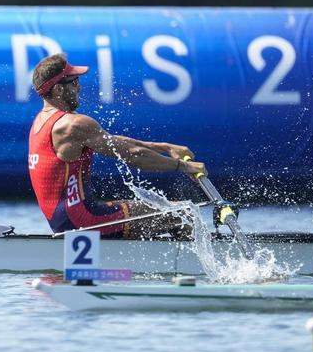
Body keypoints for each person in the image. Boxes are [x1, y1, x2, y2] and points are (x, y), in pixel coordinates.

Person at [28, 53, 207, 238]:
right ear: (57, 90)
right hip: (81, 220)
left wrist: (164, 147)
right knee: (184, 213)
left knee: (159, 215)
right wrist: (184, 166)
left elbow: (113, 141)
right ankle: (188, 266)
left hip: (68, 219)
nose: (79, 87)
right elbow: (134, 155)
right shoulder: (73, 124)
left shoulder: (41, 123)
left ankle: (139, 262)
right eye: (73, 82)